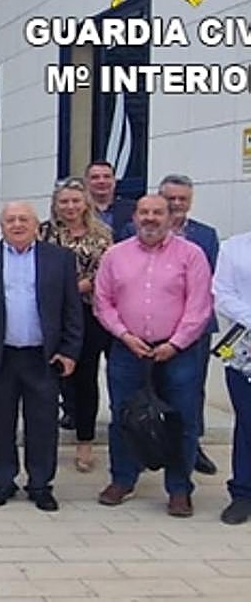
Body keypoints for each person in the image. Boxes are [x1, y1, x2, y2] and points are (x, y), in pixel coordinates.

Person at [0, 202, 83, 512]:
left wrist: (69, 351)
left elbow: (72, 310)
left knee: (43, 424)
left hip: (43, 356)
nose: (17, 225)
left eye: (23, 219)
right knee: (0, 422)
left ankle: (40, 484)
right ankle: (2, 481)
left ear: (36, 225)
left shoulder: (60, 259)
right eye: (10, 220)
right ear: (1, 226)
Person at [93, 194, 212, 517]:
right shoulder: (115, 255)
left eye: (157, 212)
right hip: (128, 348)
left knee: (181, 420)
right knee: (124, 417)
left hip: (178, 351)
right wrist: (124, 335)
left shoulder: (192, 254)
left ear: (169, 216)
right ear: (134, 217)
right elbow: (102, 302)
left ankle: (179, 489)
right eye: (144, 212)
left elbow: (199, 306)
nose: (150, 218)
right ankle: (123, 479)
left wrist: (176, 343)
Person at [124, 175, 220, 475]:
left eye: (183, 199)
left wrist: (181, 336)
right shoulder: (131, 234)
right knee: (139, 397)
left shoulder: (204, 235)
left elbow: (209, 284)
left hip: (192, 333)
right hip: (140, 336)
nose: (177, 204)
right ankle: (141, 454)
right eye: (172, 199)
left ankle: (191, 458)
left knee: (188, 398)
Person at [38, 177, 113, 473]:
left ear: (86, 204)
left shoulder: (103, 234)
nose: (70, 207)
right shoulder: (43, 232)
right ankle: (46, 442)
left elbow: (107, 271)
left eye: (75, 201)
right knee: (49, 377)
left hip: (88, 314)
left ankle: (85, 442)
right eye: (64, 201)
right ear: (56, 204)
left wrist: (78, 288)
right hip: (50, 314)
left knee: (84, 378)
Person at [212, 230, 251, 524]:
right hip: (243, 351)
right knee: (248, 422)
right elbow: (222, 294)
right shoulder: (233, 248)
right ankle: (243, 493)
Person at [85, 160, 135, 233]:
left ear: (114, 181)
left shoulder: (132, 209)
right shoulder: (78, 209)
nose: (101, 181)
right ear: (86, 182)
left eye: (107, 177)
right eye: (95, 177)